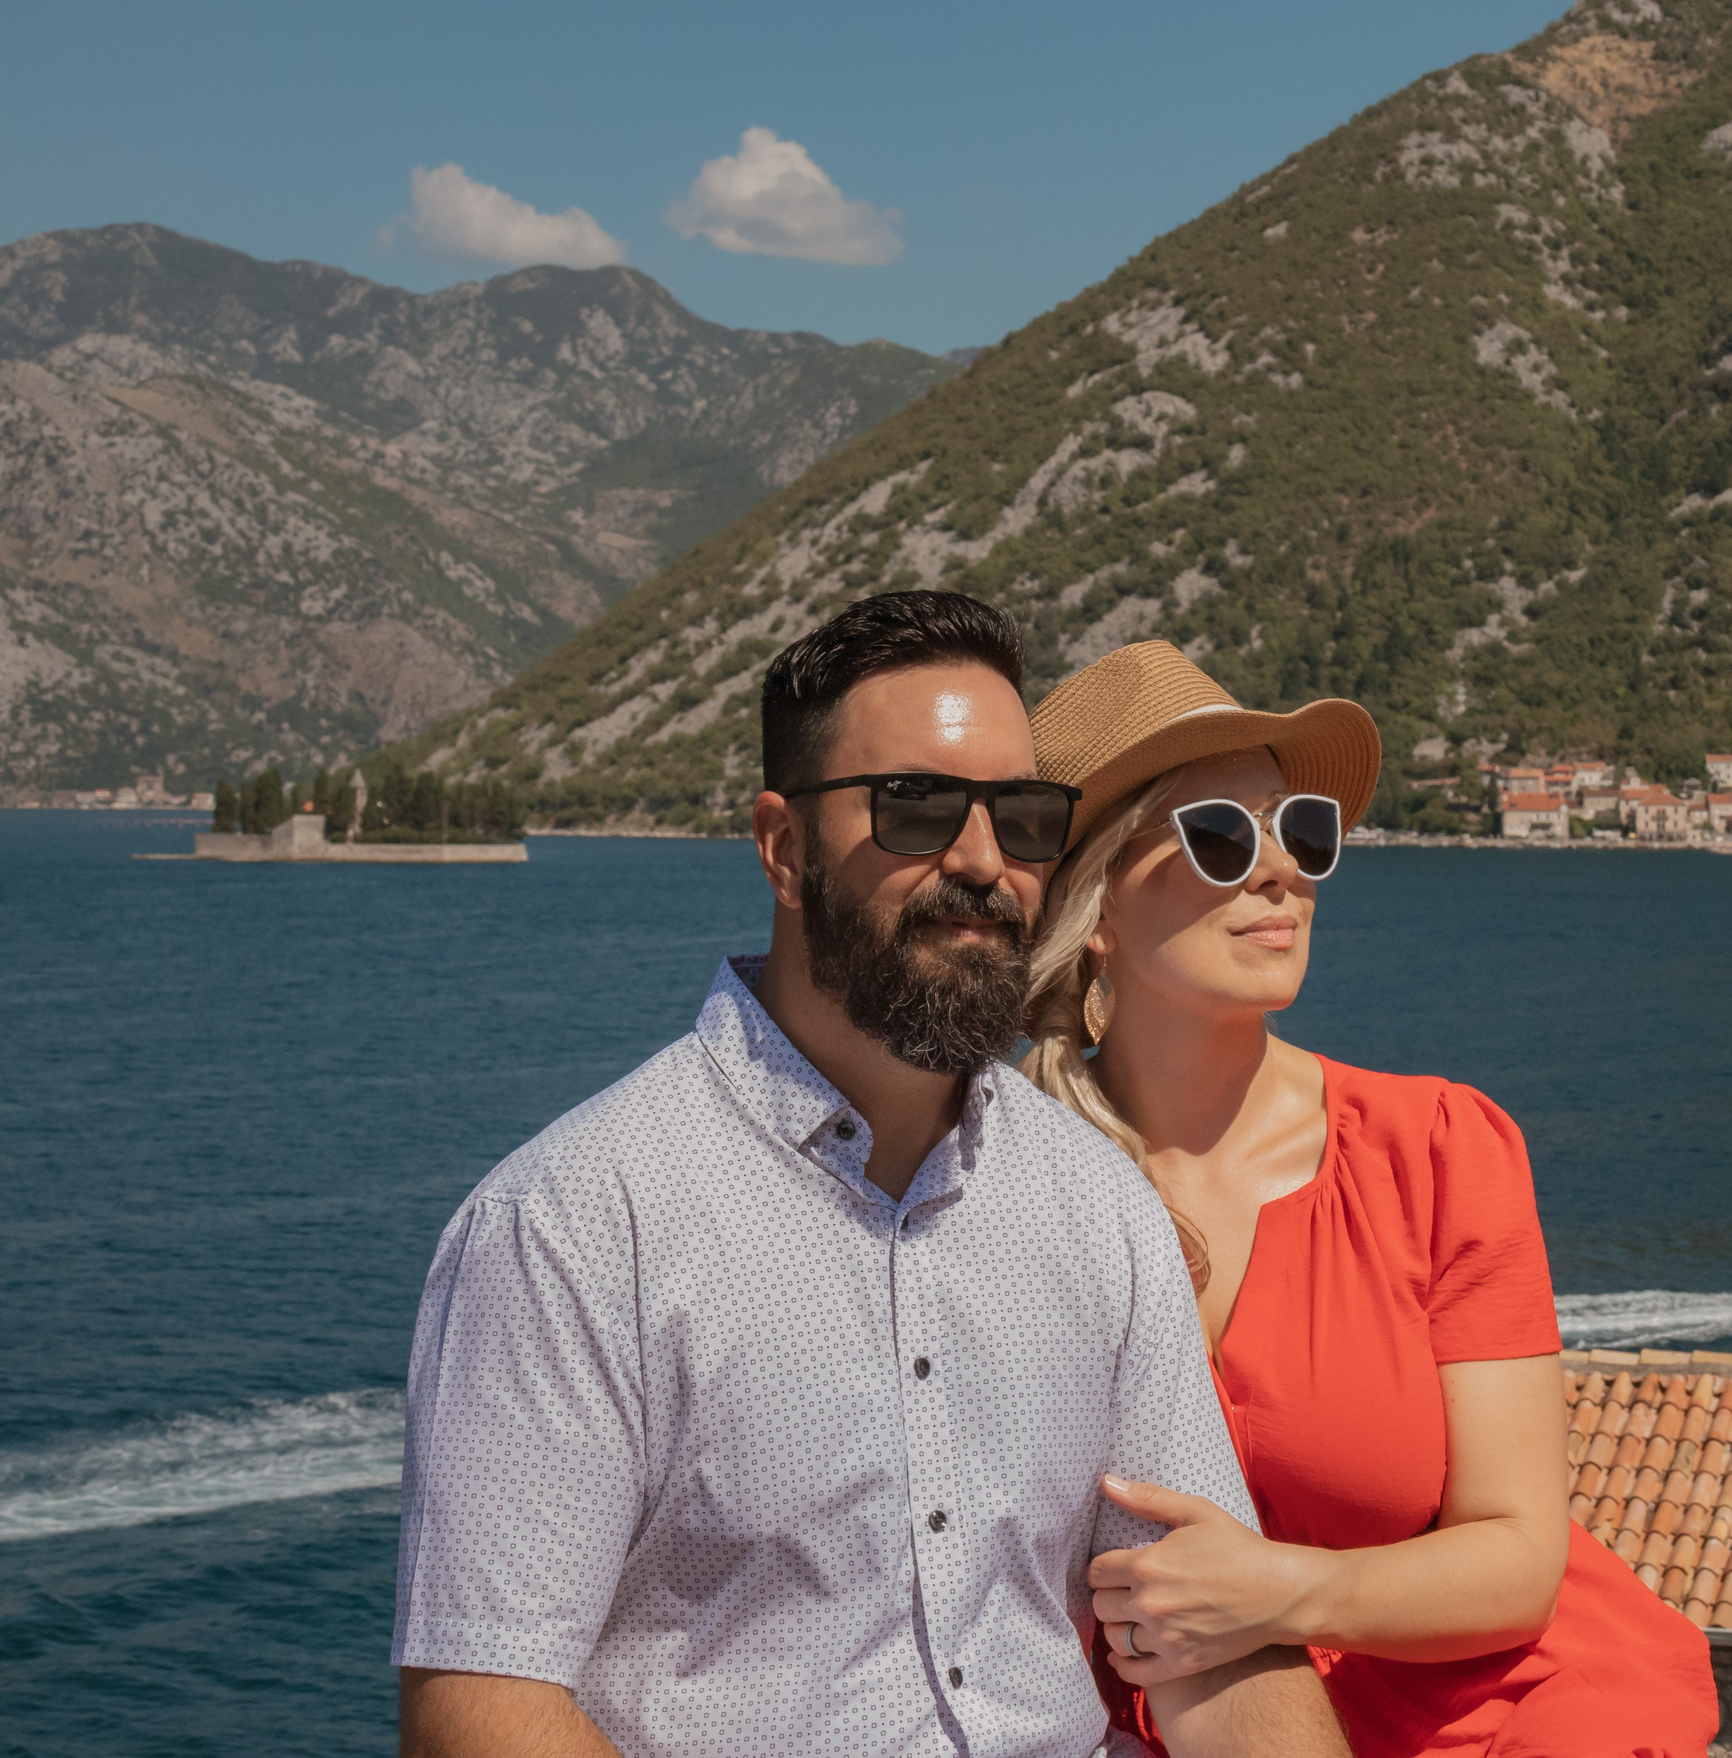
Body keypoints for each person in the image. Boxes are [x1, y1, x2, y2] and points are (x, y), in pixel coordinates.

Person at [392, 597, 1347, 1758]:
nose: (983, 861)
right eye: (917, 807)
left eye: (1022, 817)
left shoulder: (1097, 1208)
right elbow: (484, 1705)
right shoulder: (574, 1225)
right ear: (783, 848)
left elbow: (1218, 1648)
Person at [1018, 640, 1721, 1756]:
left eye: (1300, 830)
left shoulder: (1436, 1152)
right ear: (1092, 906)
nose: (1281, 871)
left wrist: (1274, 1592)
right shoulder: (1005, 1185)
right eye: (1219, 835)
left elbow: (1517, 1557)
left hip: (1483, 1720)